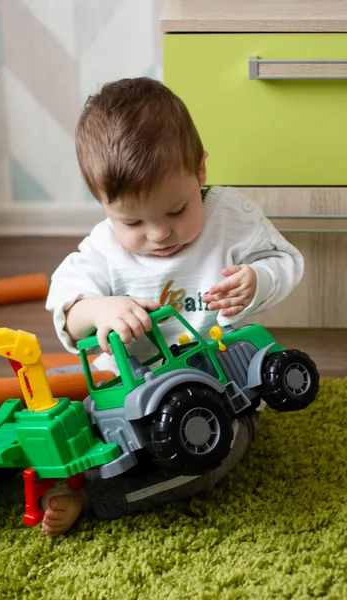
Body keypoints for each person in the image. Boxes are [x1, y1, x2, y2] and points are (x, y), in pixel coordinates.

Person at [43, 77, 304, 536]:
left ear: (200, 172)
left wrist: (258, 278)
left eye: (177, 210)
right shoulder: (102, 249)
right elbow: (66, 307)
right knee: (72, 428)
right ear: (103, 206)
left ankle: (94, 498)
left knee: (213, 458)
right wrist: (100, 310)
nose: (159, 233)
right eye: (132, 221)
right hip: (129, 398)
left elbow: (286, 261)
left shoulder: (232, 217)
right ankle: (63, 475)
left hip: (220, 395)